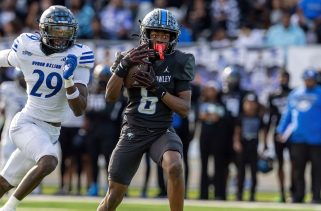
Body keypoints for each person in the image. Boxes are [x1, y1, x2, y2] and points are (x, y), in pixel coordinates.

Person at [98, 8, 195, 211]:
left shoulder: (180, 60)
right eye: (155, 33)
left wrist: (157, 89)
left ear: (173, 37)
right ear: (146, 34)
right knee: (114, 195)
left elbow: (184, 109)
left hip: (161, 130)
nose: (160, 38)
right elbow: (110, 96)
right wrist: (124, 65)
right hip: (133, 129)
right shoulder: (129, 57)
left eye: (165, 34)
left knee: (175, 165)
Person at [0, 5, 93, 211]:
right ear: (43, 30)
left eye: (65, 31)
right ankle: (9, 208)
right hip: (26, 123)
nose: (60, 36)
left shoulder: (78, 56)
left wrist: (68, 80)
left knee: (4, 183)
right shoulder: (27, 47)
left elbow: (79, 109)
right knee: (49, 161)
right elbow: (6, 58)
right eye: (55, 30)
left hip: (51, 130)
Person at [277, 68, 321, 203]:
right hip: (298, 138)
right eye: (307, 79)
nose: (309, 82)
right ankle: (298, 195)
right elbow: (288, 114)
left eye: (311, 79)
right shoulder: (295, 94)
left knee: (317, 170)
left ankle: (315, 196)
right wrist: (281, 130)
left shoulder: (320, 93)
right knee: (298, 169)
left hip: (317, 139)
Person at [267, 70, 293, 202]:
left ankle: (293, 192)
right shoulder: (273, 96)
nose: (283, 80)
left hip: (292, 133)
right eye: (281, 78)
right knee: (280, 164)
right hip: (278, 133)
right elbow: (270, 118)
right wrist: (266, 137)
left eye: (285, 78)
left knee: (295, 164)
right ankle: (282, 192)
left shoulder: (293, 94)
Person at [0, 69, 27, 169]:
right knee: (5, 163)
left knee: (27, 165)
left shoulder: (33, 92)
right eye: (22, 78)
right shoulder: (7, 88)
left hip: (27, 134)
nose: (24, 80)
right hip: (9, 132)